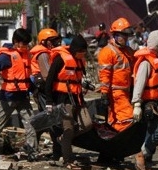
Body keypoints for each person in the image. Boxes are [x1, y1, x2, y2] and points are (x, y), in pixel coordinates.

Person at [0, 28, 38, 162]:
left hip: (23, 96)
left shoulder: (25, 55)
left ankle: (32, 151)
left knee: (31, 124)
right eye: (23, 43)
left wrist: (34, 89)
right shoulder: (7, 56)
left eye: (27, 44)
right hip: (8, 97)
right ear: (16, 42)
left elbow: (26, 77)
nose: (26, 46)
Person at [131, 30, 158, 170]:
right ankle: (142, 153)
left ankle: (146, 158)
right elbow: (139, 84)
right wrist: (137, 104)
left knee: (152, 131)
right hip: (148, 104)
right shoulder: (146, 63)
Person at [44, 34, 88, 169]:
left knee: (87, 125)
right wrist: (49, 101)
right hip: (63, 100)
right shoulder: (60, 60)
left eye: (84, 52)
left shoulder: (80, 61)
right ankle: (67, 160)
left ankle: (63, 139)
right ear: (75, 50)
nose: (82, 55)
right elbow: (49, 82)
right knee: (68, 128)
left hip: (78, 98)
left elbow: (79, 79)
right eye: (81, 52)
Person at [97, 17, 135, 133]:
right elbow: (105, 75)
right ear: (115, 35)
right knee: (126, 118)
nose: (125, 38)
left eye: (126, 36)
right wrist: (104, 93)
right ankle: (120, 141)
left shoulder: (128, 51)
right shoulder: (107, 52)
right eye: (123, 35)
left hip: (127, 91)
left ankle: (113, 141)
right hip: (115, 92)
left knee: (115, 119)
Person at [30, 28, 62, 160]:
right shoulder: (43, 54)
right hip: (44, 91)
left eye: (56, 40)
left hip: (44, 90)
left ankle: (33, 144)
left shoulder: (49, 53)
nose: (55, 43)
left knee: (46, 118)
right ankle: (57, 152)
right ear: (44, 42)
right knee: (53, 119)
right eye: (52, 41)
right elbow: (48, 76)